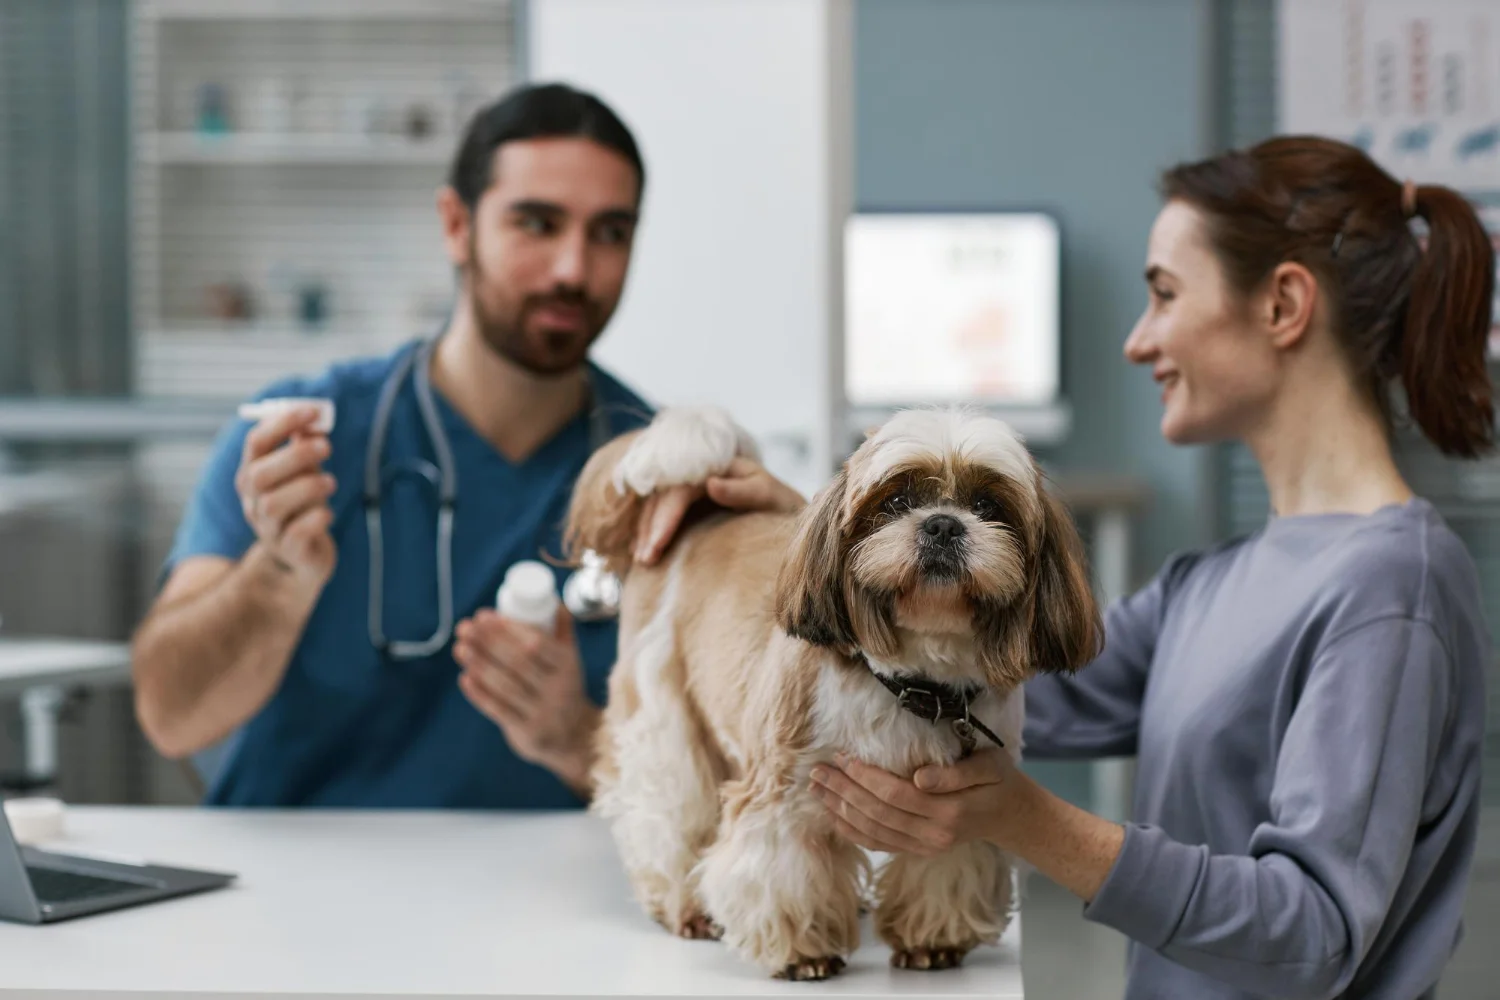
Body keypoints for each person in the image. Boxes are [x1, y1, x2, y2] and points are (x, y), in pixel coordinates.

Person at [647, 136, 1494, 998]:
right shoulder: (1216, 579)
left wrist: (1024, 819)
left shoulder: (1394, 592)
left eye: (1163, 294)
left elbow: (1315, 935)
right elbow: (958, 685)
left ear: (1282, 304)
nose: (1137, 341)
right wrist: (819, 540)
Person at [132, 82, 670, 809]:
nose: (574, 268)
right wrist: (276, 574)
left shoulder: (665, 476)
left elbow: (729, 788)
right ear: (456, 224)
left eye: (609, 232)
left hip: (541, 904)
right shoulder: (303, 439)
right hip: (291, 896)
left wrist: (576, 738)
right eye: (537, 224)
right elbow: (170, 716)